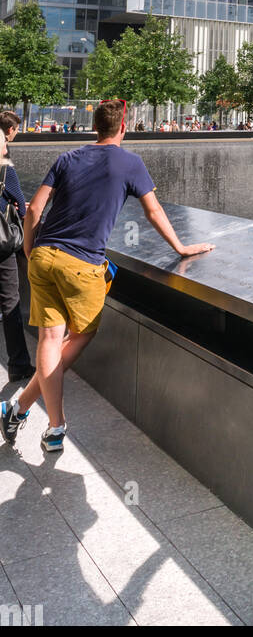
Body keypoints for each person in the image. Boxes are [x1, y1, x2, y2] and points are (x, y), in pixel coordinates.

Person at [0, 99, 214, 454]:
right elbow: (154, 210)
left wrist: (30, 251)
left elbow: (34, 208)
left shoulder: (68, 158)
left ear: (94, 127)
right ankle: (24, 409)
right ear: (123, 129)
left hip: (43, 258)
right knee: (80, 335)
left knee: (50, 340)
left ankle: (46, 423)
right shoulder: (130, 163)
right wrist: (181, 247)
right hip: (82, 264)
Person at [0, 110, 35, 383]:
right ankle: (19, 365)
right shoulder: (4, 169)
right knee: (10, 303)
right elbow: (22, 204)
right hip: (1, 246)